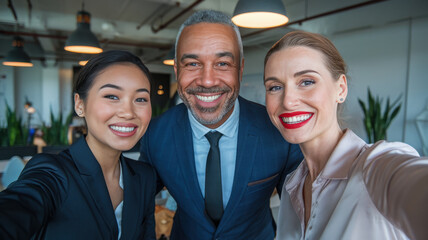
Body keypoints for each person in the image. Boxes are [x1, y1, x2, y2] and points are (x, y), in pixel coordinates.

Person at [139, 10, 303, 240]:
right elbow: (138, 204)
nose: (207, 80)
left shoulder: (277, 129)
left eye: (223, 63)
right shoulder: (156, 133)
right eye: (193, 63)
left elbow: (307, 210)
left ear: (240, 70)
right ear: (177, 71)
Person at [263, 30, 428, 240]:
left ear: (340, 89)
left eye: (306, 82)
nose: (288, 101)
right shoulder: (291, 186)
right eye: (275, 87)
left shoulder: (375, 167)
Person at [0, 50, 156, 240]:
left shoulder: (144, 177)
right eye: (112, 96)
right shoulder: (53, 172)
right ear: (80, 104)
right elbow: (18, 208)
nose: (128, 112)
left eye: (141, 99)